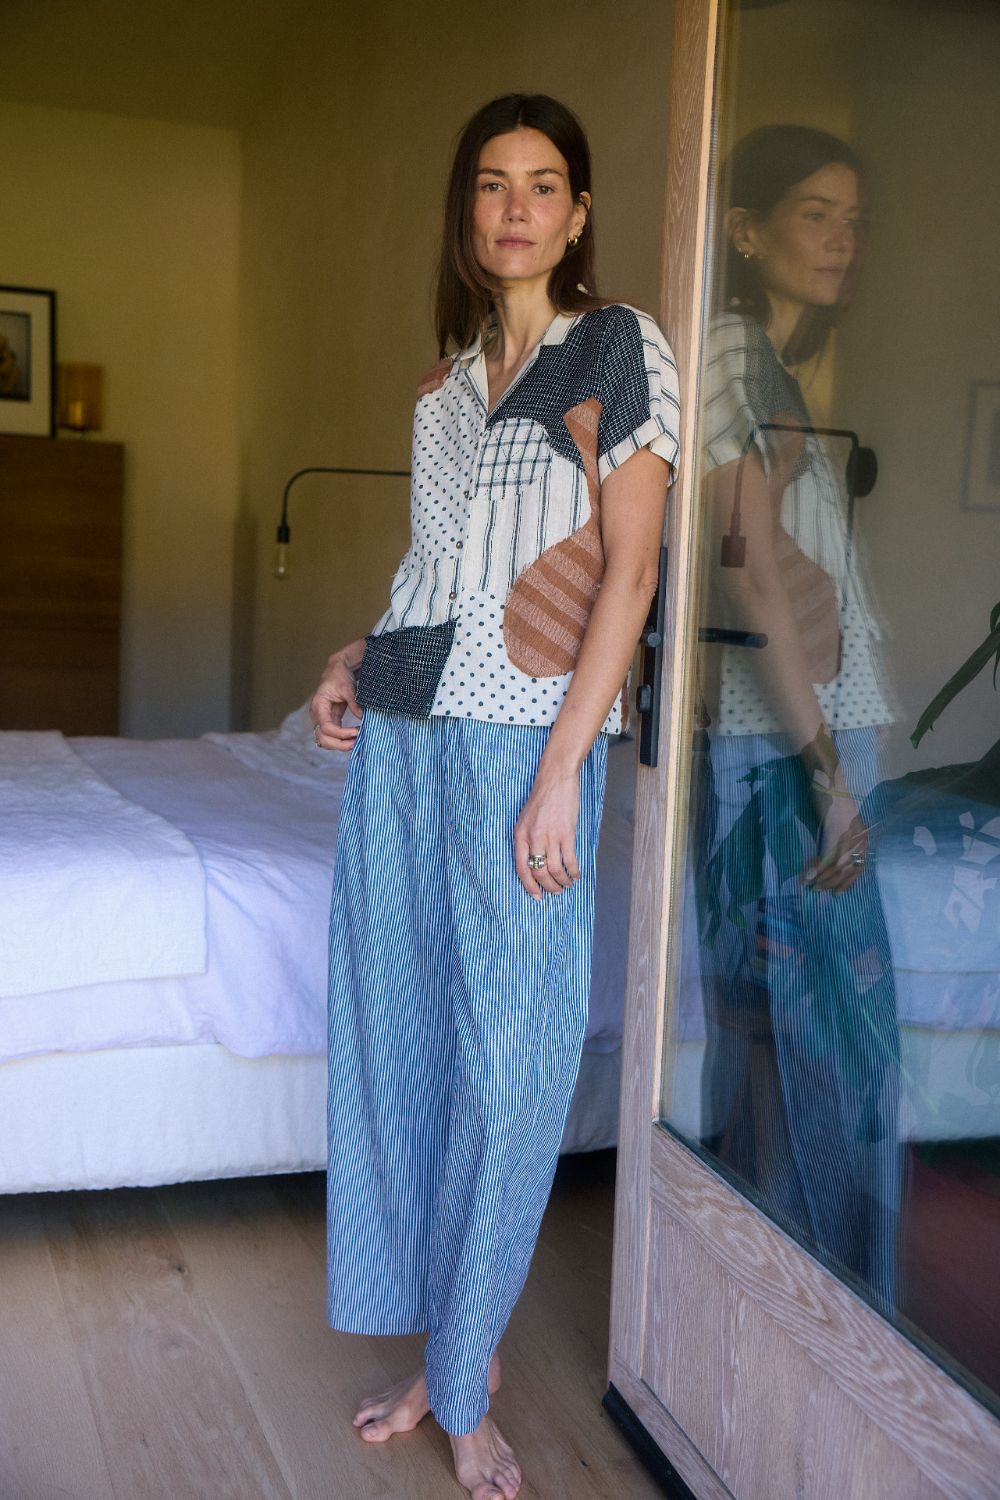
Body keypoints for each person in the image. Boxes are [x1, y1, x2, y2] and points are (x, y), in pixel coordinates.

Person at [310, 94, 679, 1500]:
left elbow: (631, 573)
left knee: (513, 1070)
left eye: (542, 184)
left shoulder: (615, 345)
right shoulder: (444, 388)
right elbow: (436, 583)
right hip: (404, 738)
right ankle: (447, 1351)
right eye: (490, 184)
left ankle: (459, 1385)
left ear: (577, 215)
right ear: (467, 214)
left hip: (526, 744)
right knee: (404, 1045)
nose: (514, 207)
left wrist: (564, 770)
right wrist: (352, 659)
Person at [694, 125, 901, 1312]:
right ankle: (843, 1320)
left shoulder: (767, 369)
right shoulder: (736, 355)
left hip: (784, 740)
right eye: (814, 213)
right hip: (787, 749)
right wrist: (827, 770)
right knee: (838, 1051)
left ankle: (767, 1298)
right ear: (744, 231)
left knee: (779, 1036)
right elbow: (750, 568)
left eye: (853, 220)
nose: (842, 240)